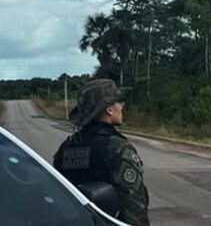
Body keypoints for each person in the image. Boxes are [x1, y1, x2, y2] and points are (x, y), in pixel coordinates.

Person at [53, 79, 150, 226]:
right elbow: (134, 205)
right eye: (119, 102)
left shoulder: (67, 148)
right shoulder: (117, 148)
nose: (122, 106)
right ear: (109, 110)